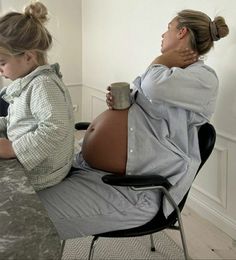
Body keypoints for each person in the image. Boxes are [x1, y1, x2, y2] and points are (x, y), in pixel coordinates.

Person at [38, 9, 229, 239]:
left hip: (135, 188)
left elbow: (154, 88)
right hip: (95, 168)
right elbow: (153, 114)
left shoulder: (204, 77)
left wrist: (160, 60)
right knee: (24, 192)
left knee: (28, 217)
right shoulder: (166, 72)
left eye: (168, 28)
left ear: (182, 32)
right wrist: (126, 103)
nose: (162, 34)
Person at [0, 2, 75, 191]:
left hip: (42, 174)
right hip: (32, 164)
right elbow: (18, 118)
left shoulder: (43, 85)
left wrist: (13, 149)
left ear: (28, 56)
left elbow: (55, 127)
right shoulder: (29, 82)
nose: (0, 70)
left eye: (2, 62)